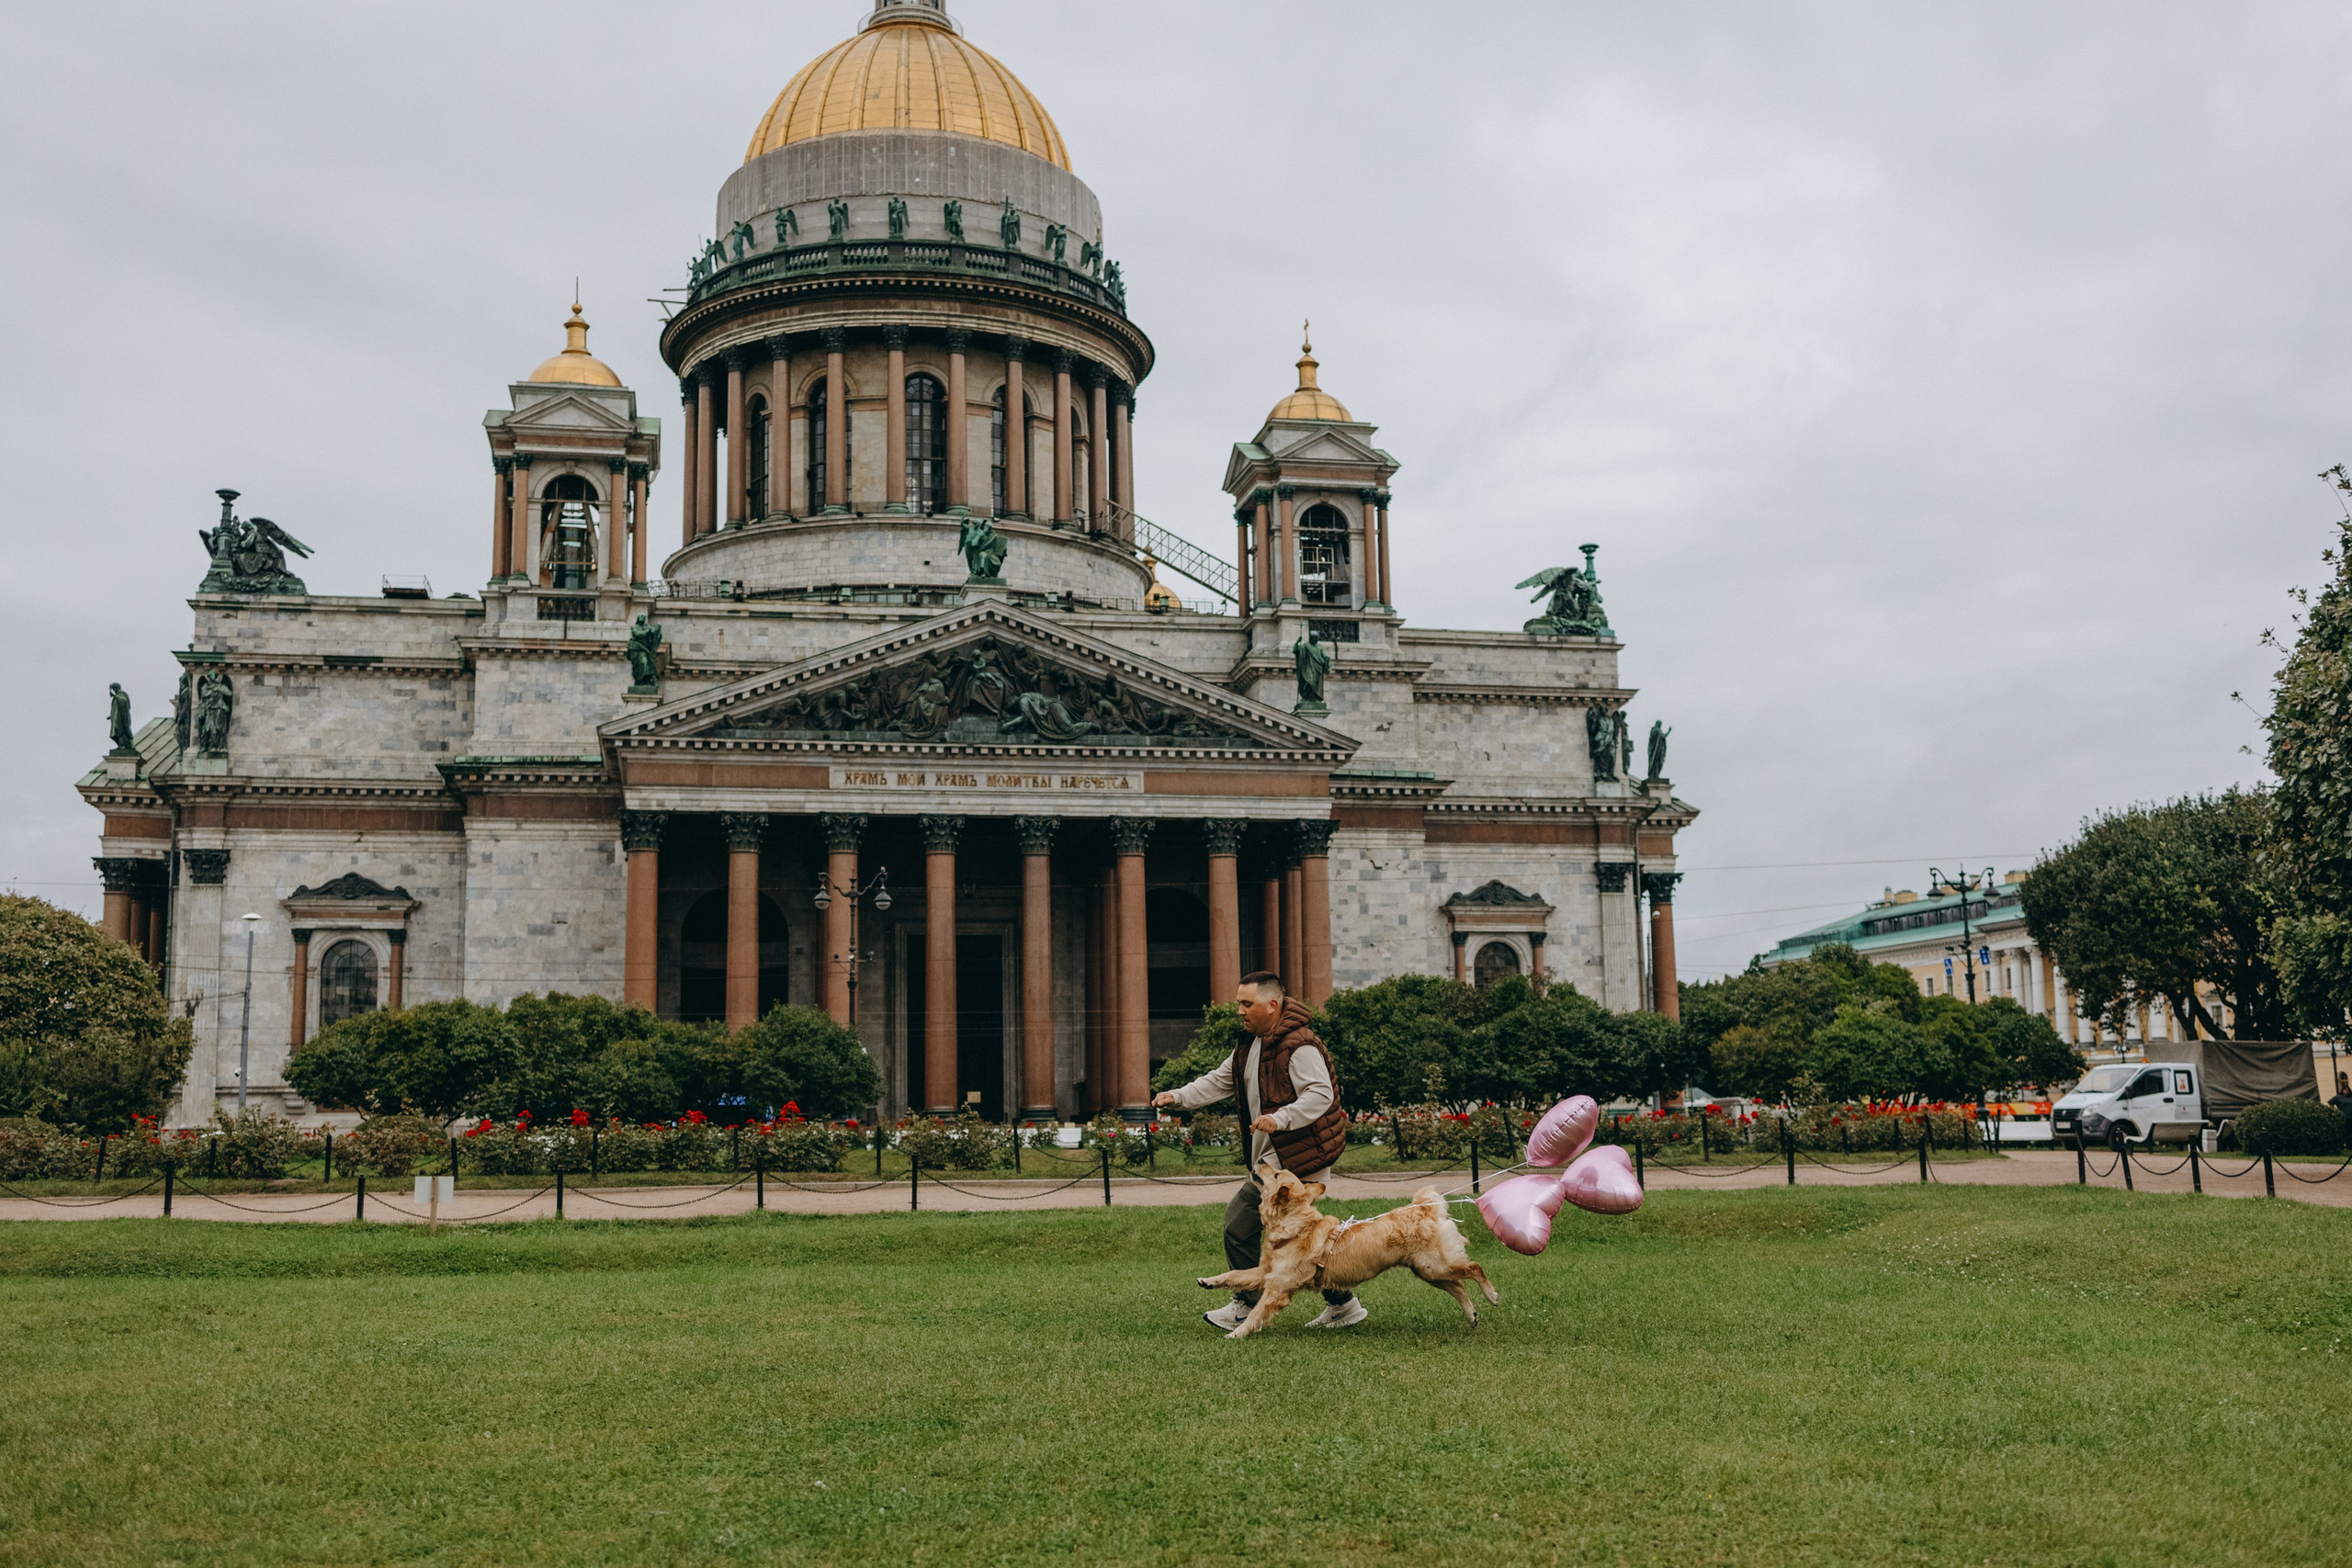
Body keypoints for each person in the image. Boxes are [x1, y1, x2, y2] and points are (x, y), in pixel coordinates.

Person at [1155, 971, 1363, 1330]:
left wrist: (1279, 1119)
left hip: (1296, 1158)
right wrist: (1179, 1097)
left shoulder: (1300, 1045)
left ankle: (1246, 1302)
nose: (1240, 1011)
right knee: (1305, 1243)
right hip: (1275, 1159)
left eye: (1246, 1004)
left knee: (1239, 1225)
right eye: (1239, 1003)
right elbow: (1220, 1079)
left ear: (1272, 1005)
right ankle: (1343, 1304)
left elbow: (1320, 1093)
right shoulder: (1251, 1043)